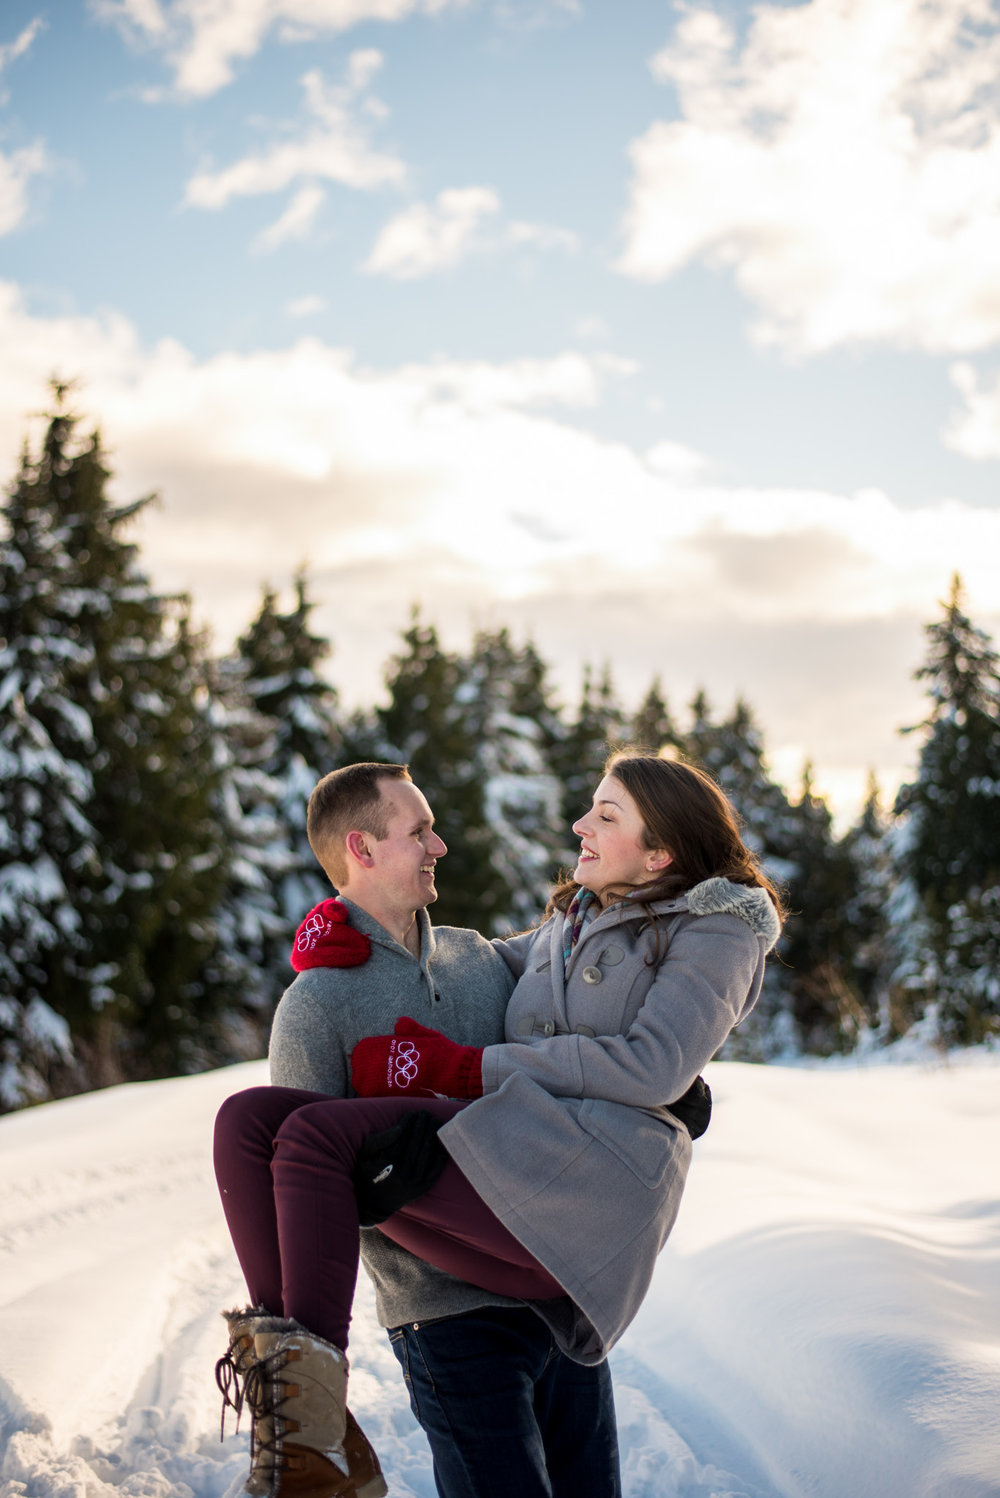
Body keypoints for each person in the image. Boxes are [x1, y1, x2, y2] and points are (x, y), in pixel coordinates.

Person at [214, 753, 782, 1498]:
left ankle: (305, 1444)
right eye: (421, 831)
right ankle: (300, 1428)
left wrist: (674, 1086)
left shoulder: (476, 959)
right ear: (362, 849)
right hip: (443, 1308)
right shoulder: (316, 1002)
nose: (438, 845)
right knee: (258, 1123)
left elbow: (627, 1030)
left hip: (548, 1252)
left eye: (605, 814)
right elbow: (303, 1193)